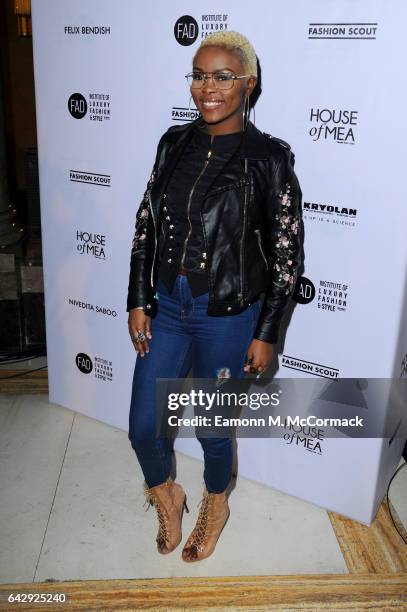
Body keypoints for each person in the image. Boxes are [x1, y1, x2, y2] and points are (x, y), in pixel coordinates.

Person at [127, 31, 303, 562]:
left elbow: (287, 255)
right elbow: (146, 225)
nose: (208, 87)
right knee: (141, 425)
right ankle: (166, 493)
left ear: (248, 84)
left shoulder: (269, 159)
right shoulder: (172, 142)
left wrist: (267, 331)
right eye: (200, 75)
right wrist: (139, 297)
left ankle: (217, 502)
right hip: (167, 304)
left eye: (223, 76)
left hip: (227, 313)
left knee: (212, 426)